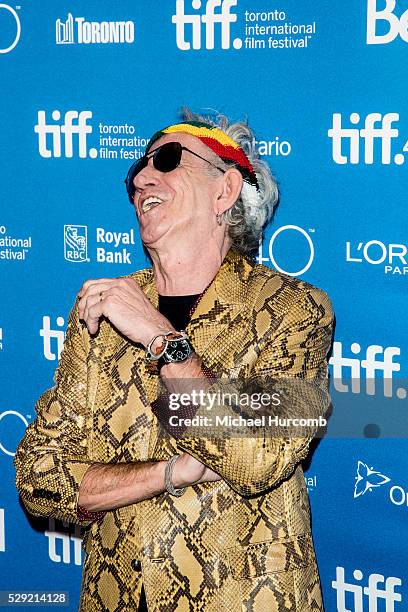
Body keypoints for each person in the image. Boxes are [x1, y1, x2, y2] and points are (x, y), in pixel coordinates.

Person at [15, 109, 334, 611]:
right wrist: (173, 472)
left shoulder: (296, 311)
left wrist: (162, 338)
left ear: (225, 191)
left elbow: (256, 458)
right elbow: (40, 479)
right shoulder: (101, 309)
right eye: (136, 171)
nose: (142, 178)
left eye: (166, 160)